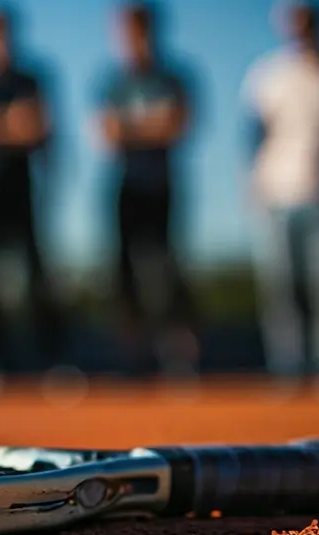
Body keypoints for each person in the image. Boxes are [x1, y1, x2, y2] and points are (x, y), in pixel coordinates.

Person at [242, 0, 319, 382]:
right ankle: (289, 374)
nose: (300, 28)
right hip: (277, 195)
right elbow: (253, 137)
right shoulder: (268, 76)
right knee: (283, 290)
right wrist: (253, 183)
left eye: (306, 20)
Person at [96, 2, 200, 376]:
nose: (130, 40)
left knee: (168, 270)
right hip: (125, 189)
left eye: (137, 31)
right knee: (123, 275)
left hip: (163, 186)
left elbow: (179, 126)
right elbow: (105, 135)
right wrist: (151, 125)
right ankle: (133, 361)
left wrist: (132, 129)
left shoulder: (173, 78)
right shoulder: (112, 82)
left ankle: (180, 356)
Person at [0, 4, 66, 372]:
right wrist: (10, 124)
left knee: (38, 276)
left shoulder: (30, 80)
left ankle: (53, 359)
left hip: (24, 190)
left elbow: (38, 128)